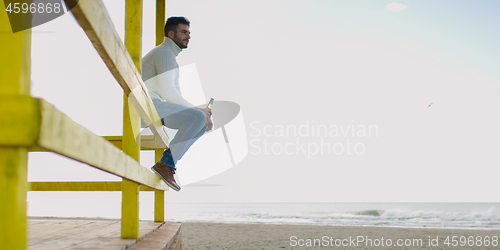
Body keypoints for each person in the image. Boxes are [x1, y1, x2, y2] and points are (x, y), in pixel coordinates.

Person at [142, 16, 212, 191]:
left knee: (200, 123)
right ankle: (166, 164)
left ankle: (168, 164)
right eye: (183, 32)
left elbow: (175, 95)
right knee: (198, 117)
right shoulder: (164, 52)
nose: (188, 36)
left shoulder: (171, 58)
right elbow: (169, 93)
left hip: (156, 108)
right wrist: (199, 111)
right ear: (171, 33)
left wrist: (202, 114)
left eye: (189, 32)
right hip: (147, 107)